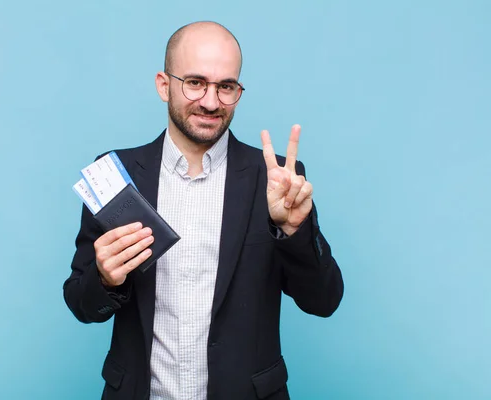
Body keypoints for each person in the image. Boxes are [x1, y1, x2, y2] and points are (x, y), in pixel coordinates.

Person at [63, 21, 344, 400]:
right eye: (195, 82)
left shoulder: (276, 180)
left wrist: (294, 232)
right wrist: (105, 279)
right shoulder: (115, 176)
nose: (211, 102)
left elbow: (323, 301)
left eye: (226, 86)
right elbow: (81, 304)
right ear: (164, 85)